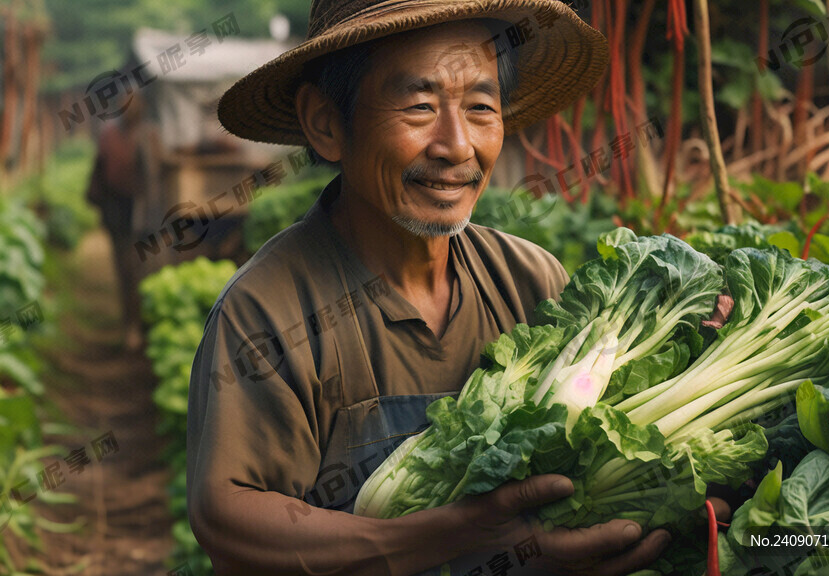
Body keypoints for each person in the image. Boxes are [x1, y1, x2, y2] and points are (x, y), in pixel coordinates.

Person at [187, 2, 727, 574]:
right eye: (419, 106)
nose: (458, 146)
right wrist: (461, 539)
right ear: (326, 123)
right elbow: (229, 519)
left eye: (480, 107)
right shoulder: (269, 311)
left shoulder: (529, 280)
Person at [86, 96, 152, 351]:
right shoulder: (112, 136)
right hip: (119, 216)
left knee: (135, 271)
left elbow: (151, 181)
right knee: (127, 271)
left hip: (142, 218)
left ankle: (136, 325)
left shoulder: (147, 137)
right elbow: (106, 175)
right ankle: (131, 326)